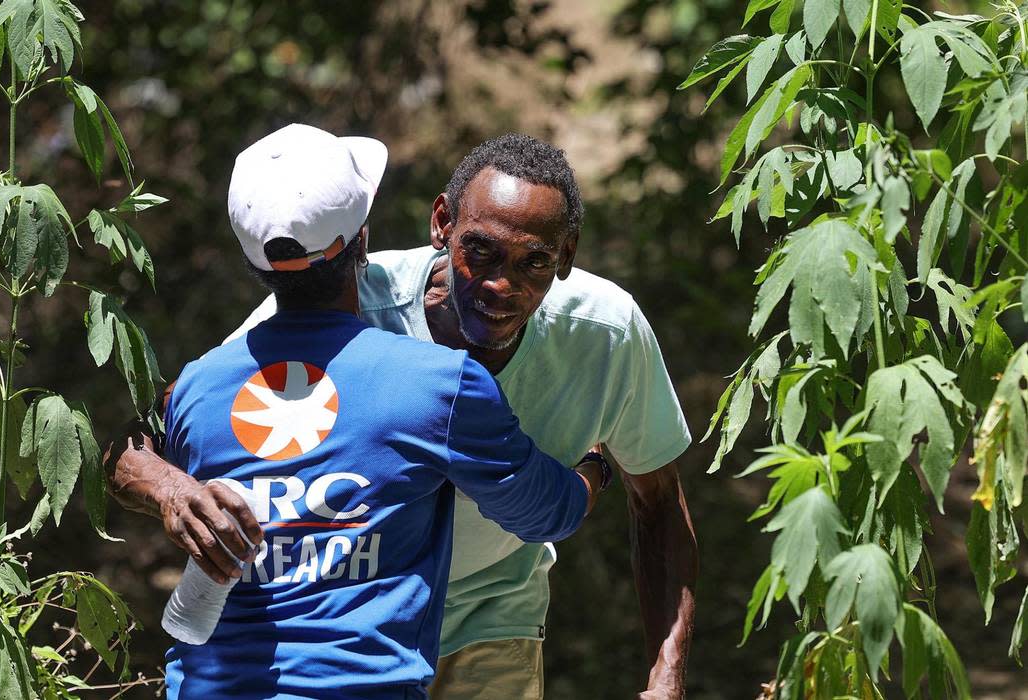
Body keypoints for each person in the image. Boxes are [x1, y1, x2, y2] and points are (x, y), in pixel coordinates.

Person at [109, 133, 696, 699]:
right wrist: (172, 490)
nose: (500, 284)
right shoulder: (421, 377)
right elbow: (142, 442)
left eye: (534, 262)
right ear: (440, 224)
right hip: (357, 652)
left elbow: (661, 504)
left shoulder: (607, 332)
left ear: (566, 256)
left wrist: (666, 677)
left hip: (487, 614)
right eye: (482, 251)